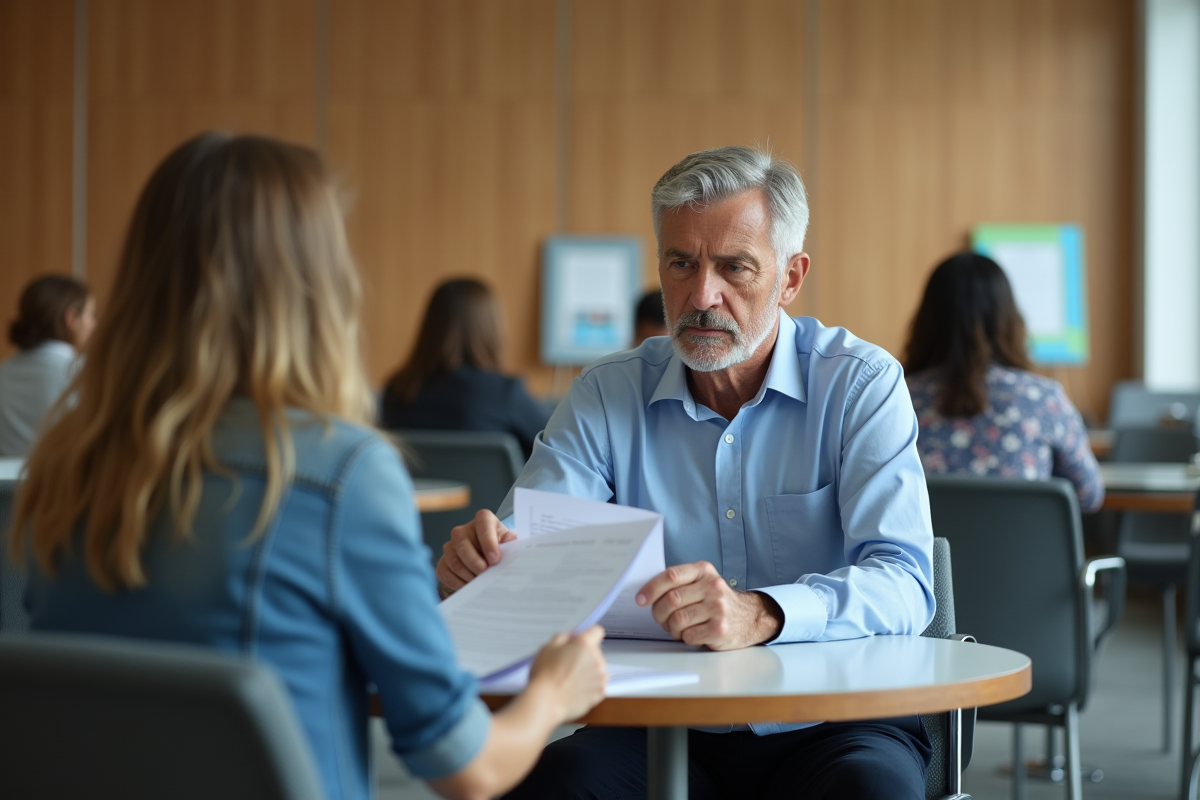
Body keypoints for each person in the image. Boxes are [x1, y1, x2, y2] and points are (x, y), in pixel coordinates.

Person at [11, 132, 607, 800]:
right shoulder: (341, 475)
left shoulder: (68, 462)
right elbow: (469, 770)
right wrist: (555, 693)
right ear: (315, 283)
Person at [436, 146, 935, 799]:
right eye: (681, 264)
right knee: (553, 785)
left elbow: (905, 580)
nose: (703, 296)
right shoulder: (606, 393)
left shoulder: (860, 385)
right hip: (659, 719)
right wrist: (487, 567)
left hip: (835, 717)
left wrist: (764, 613)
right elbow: (530, 548)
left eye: (734, 267)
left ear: (790, 278)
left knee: (872, 792)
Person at [903, 252, 1104, 512]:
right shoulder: (1042, 399)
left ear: (925, 321)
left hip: (934, 553)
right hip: (1027, 553)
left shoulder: (898, 399)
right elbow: (1089, 495)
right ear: (1009, 319)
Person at [379, 277, 550, 459]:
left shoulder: (397, 390)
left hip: (416, 488)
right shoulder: (503, 392)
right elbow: (560, 447)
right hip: (494, 489)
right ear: (491, 328)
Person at [0, 274, 95, 456]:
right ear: (71, 318)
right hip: (59, 481)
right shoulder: (79, 371)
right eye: (91, 315)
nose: (94, 325)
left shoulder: (4, 371)